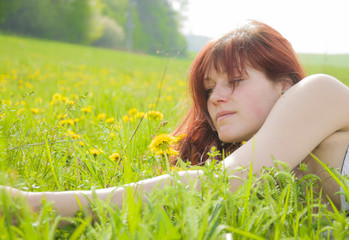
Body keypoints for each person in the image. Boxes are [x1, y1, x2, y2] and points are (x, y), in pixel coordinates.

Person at [3, 20, 349, 220]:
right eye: (209, 88)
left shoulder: (317, 92)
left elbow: (220, 182)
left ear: (284, 86)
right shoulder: (271, 168)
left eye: (237, 81)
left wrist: (31, 205)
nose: (216, 98)